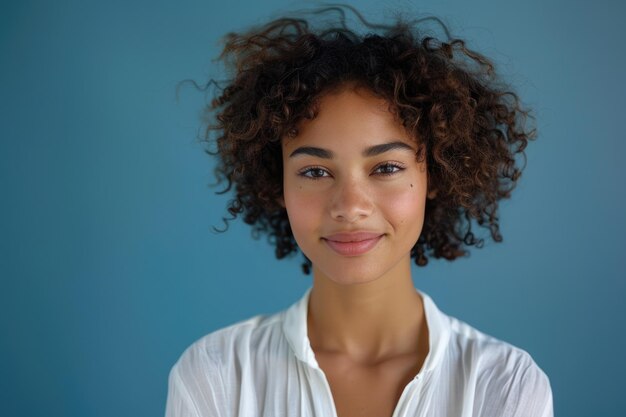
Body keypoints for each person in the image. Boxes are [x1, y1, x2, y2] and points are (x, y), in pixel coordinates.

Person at [165, 5, 553, 417]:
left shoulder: (506, 385)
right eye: (315, 171)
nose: (350, 206)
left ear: (435, 175)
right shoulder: (216, 376)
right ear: (276, 181)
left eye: (386, 168)